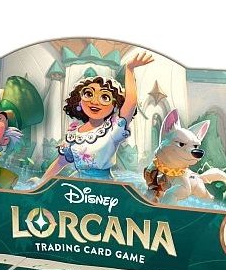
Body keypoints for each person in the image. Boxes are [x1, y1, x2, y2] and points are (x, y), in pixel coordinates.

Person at [40, 52, 154, 181]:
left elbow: (131, 102)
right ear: (79, 101)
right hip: (77, 183)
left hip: (104, 186)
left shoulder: (113, 129)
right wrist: (40, 183)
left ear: (115, 105)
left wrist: (129, 69)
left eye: (104, 97)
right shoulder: (73, 134)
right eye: (88, 94)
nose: (94, 102)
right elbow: (60, 163)